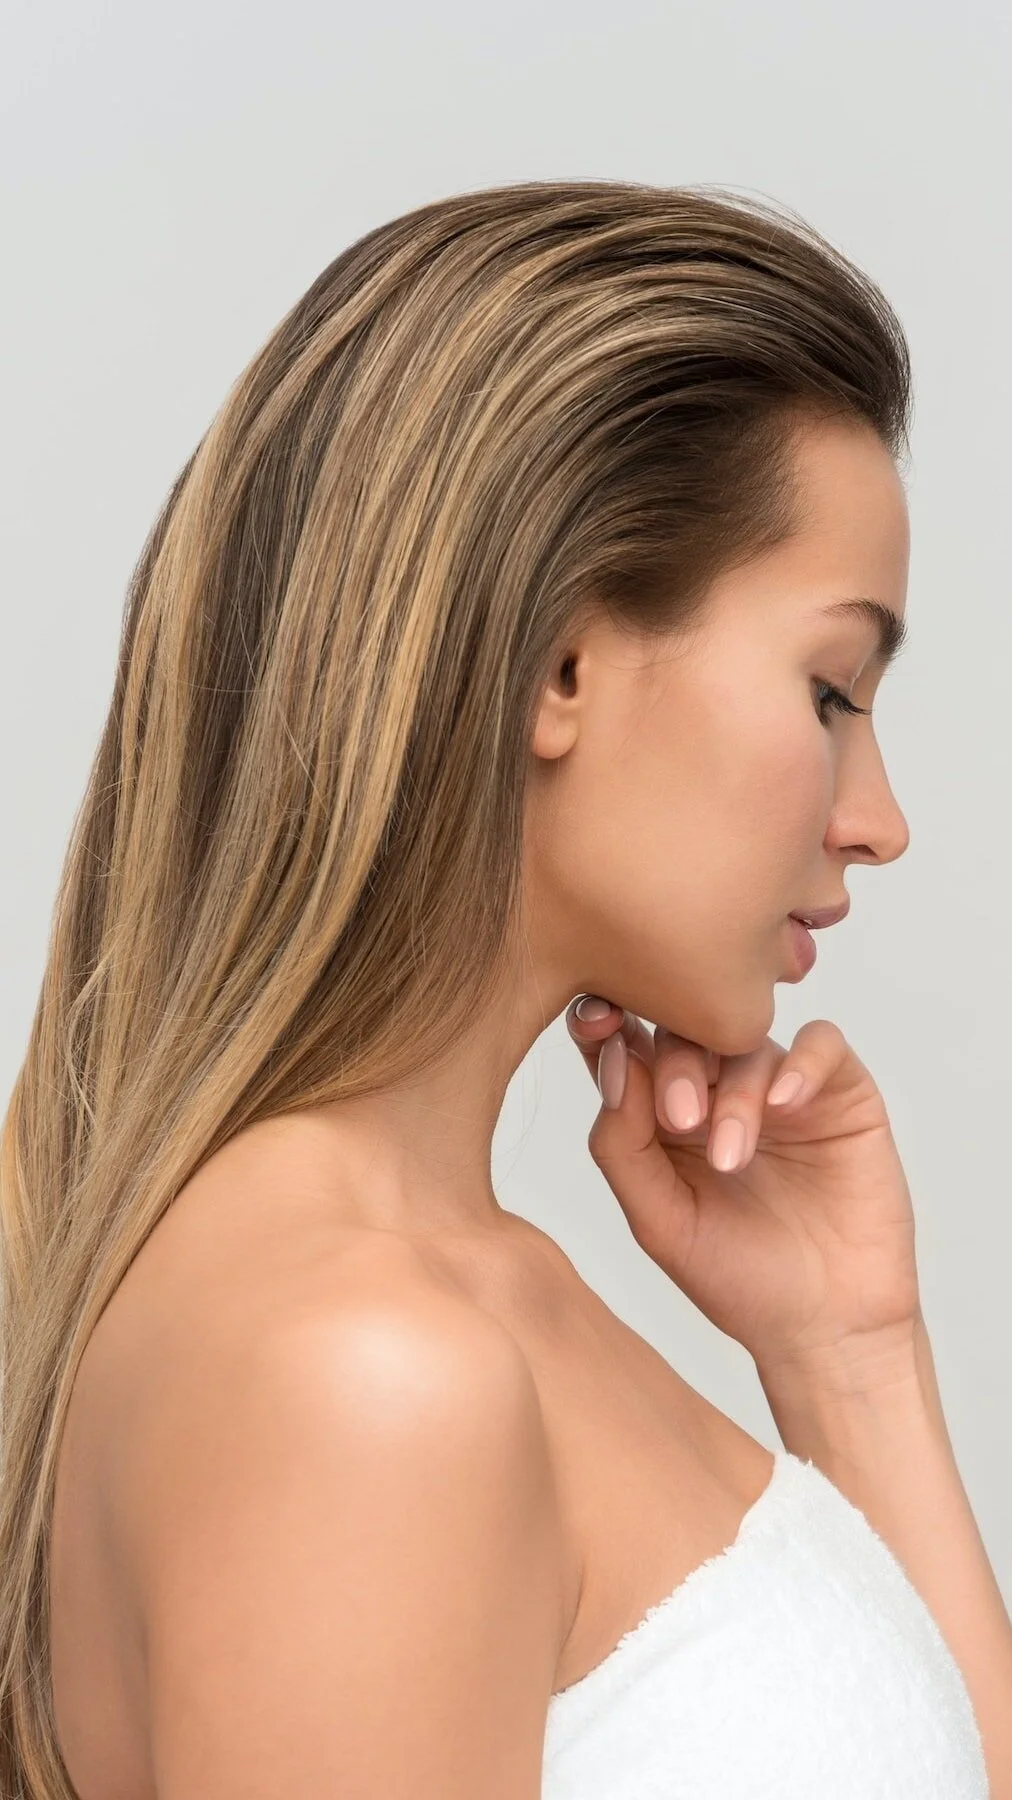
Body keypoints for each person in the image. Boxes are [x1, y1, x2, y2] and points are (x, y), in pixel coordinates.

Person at [0, 179, 1008, 1800]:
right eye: (830, 689)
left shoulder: (458, 1298)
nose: (876, 818)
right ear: (555, 664)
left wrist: (851, 1354)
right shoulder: (363, 1374)